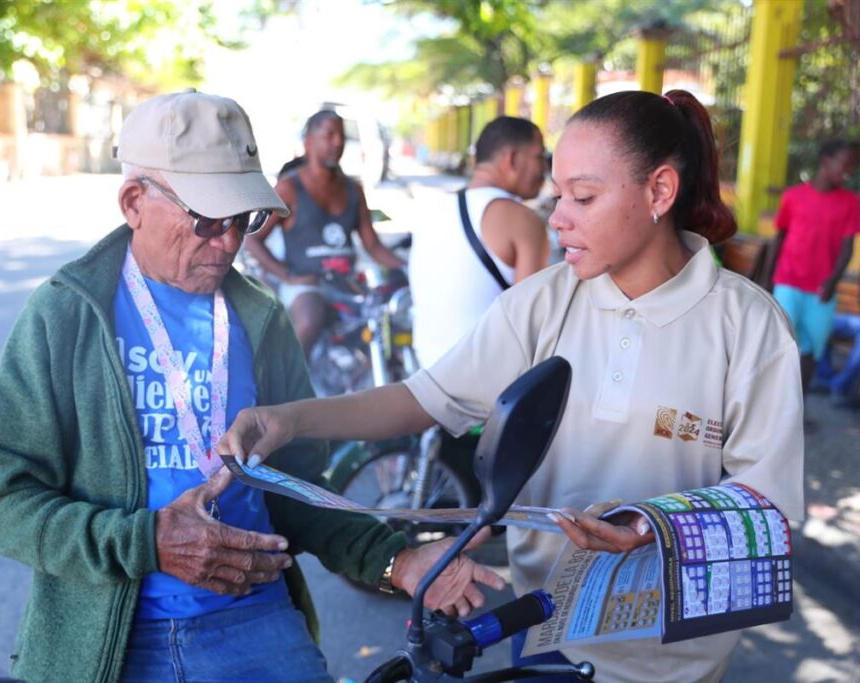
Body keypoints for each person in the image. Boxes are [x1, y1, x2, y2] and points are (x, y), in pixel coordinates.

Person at [220, 90, 804, 683]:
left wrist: (652, 525)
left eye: (583, 197)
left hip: (678, 659)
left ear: (659, 191)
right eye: (556, 195)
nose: (556, 218)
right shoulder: (543, 302)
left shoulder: (748, 325)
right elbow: (421, 398)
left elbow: (770, 505)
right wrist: (288, 420)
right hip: (547, 631)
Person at [0, 90, 505, 683]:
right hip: (108, 636)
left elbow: (297, 490)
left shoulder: (261, 320)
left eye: (243, 219)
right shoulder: (64, 316)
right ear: (134, 202)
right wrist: (148, 542)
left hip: (254, 619)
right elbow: (2, 501)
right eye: (206, 219)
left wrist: (395, 560)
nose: (228, 242)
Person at [244, 109, 405, 357]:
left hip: (346, 284)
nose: (338, 142)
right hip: (306, 285)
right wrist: (287, 275)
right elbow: (253, 238)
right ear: (309, 141)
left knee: (389, 325)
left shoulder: (353, 190)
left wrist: (408, 268)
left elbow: (373, 246)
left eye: (340, 135)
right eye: (329, 135)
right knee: (309, 319)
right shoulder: (289, 188)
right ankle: (288, 387)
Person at [410, 115, 548, 369]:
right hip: (481, 382)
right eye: (540, 156)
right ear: (513, 159)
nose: (545, 168)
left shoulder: (434, 209)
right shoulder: (523, 220)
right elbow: (533, 323)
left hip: (426, 371)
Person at [763, 139, 860, 394]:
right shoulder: (793, 196)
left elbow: (847, 248)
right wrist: (768, 278)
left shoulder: (850, 203)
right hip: (787, 282)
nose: (851, 169)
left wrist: (832, 282)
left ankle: (797, 409)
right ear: (826, 161)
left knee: (809, 352)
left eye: (854, 165)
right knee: (778, 346)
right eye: (846, 163)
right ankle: (767, 406)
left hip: (821, 291)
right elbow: (779, 238)